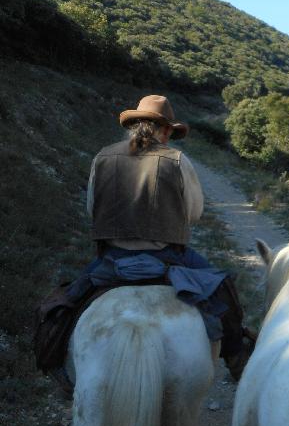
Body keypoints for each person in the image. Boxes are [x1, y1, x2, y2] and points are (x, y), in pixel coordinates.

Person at [38, 95, 255, 393]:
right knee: (224, 293)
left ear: (135, 125)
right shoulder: (177, 160)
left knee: (63, 306)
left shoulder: (103, 157)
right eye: (170, 132)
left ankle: (55, 364)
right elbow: (194, 213)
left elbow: (92, 208)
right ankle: (237, 358)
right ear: (165, 130)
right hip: (168, 257)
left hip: (112, 259)